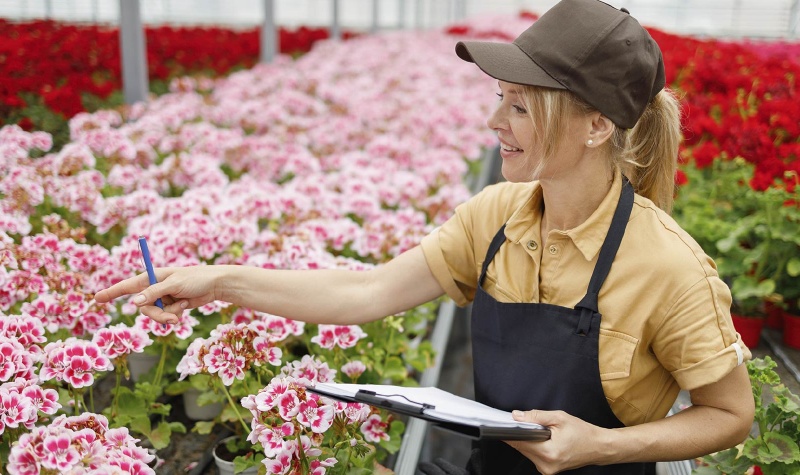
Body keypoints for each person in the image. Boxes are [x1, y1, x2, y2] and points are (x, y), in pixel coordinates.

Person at [95, 0, 755, 473]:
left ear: (596, 127)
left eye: (519, 106)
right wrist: (215, 280)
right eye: (499, 97)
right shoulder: (494, 215)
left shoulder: (668, 265)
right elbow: (368, 290)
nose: (495, 120)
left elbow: (730, 415)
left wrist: (596, 445)